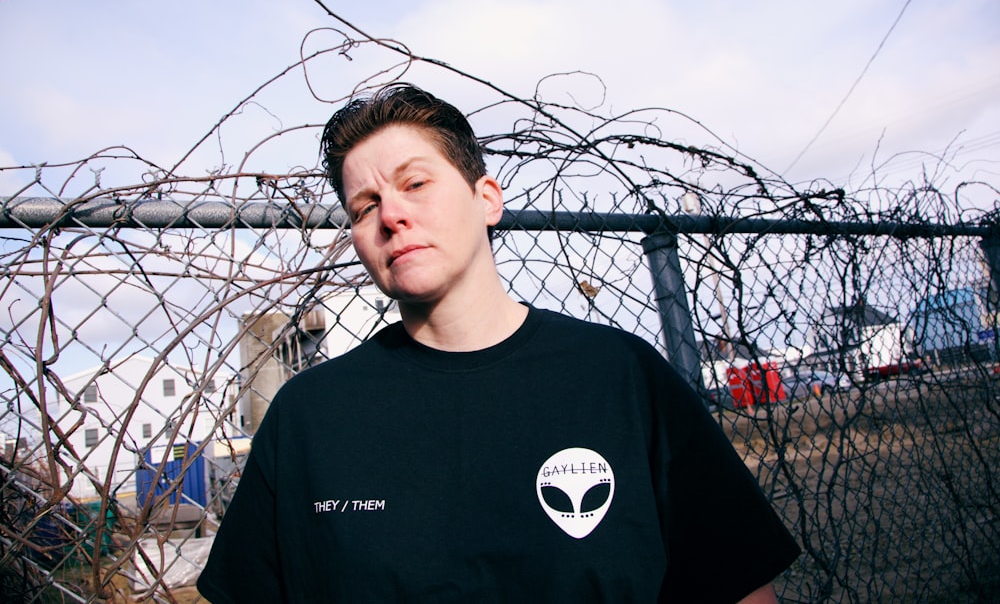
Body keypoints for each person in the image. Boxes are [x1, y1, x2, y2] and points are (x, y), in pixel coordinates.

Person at [197, 83, 801, 603]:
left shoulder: (620, 377)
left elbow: (737, 585)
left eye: (415, 183)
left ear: (487, 199)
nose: (391, 215)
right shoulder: (310, 418)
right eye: (365, 205)